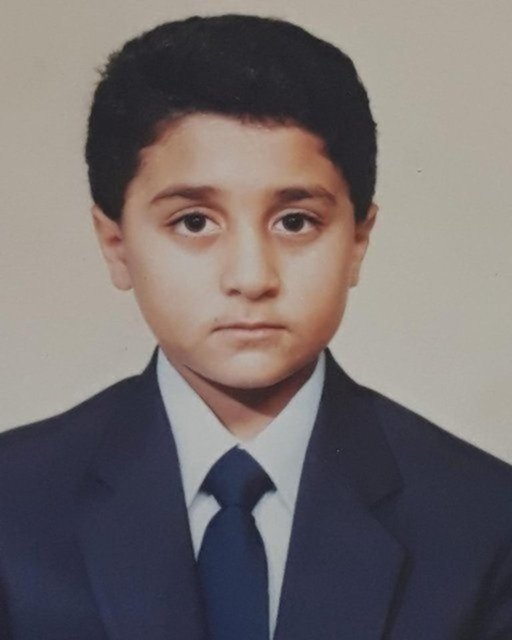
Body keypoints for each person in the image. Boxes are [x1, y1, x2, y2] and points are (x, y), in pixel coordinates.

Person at [0, 14, 511, 640]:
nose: (251, 277)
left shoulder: (485, 520)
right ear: (116, 246)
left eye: (295, 222)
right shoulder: (13, 503)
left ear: (357, 242)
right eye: (194, 222)